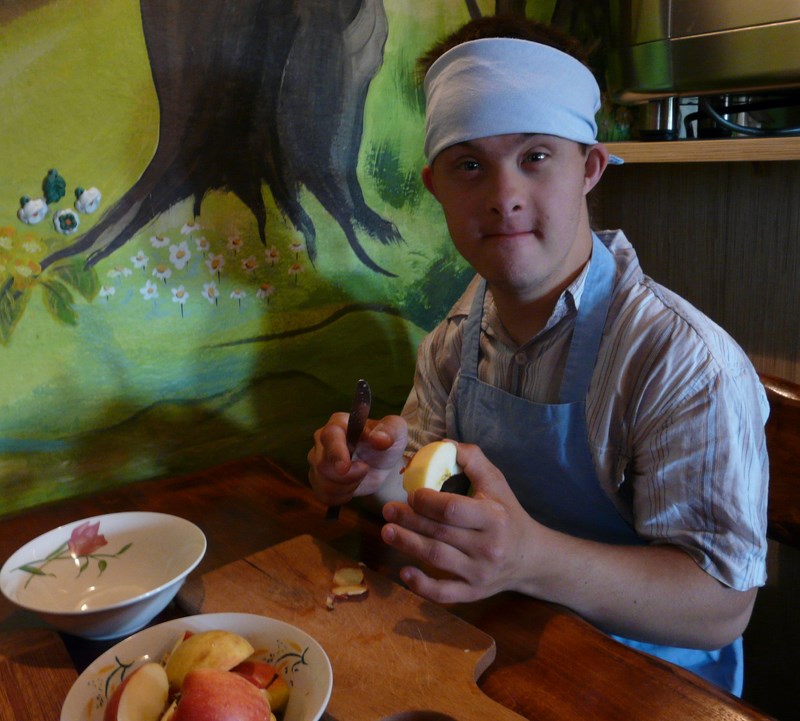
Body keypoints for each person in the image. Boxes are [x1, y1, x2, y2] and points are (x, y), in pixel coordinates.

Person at [307, 16, 769, 696]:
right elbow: (431, 499)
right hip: (498, 652)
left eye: (536, 156)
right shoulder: (453, 341)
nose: (504, 197)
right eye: (470, 165)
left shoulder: (683, 362)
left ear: (590, 168)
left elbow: (722, 606)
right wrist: (372, 479)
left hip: (651, 687)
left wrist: (529, 559)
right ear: (436, 186)